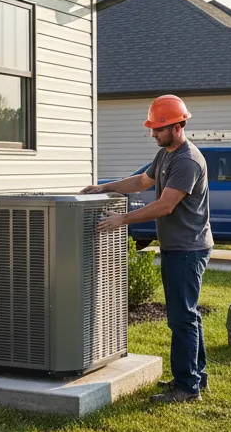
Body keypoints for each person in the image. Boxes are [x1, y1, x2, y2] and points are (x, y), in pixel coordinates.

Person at [80, 95, 213, 403]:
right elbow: (142, 181)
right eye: (152, 128)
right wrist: (104, 187)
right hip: (178, 247)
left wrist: (122, 219)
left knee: (181, 318)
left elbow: (166, 206)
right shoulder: (166, 155)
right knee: (187, 315)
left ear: (177, 127)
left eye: (158, 128)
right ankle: (195, 377)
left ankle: (187, 388)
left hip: (187, 249)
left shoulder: (186, 160)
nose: (152, 133)